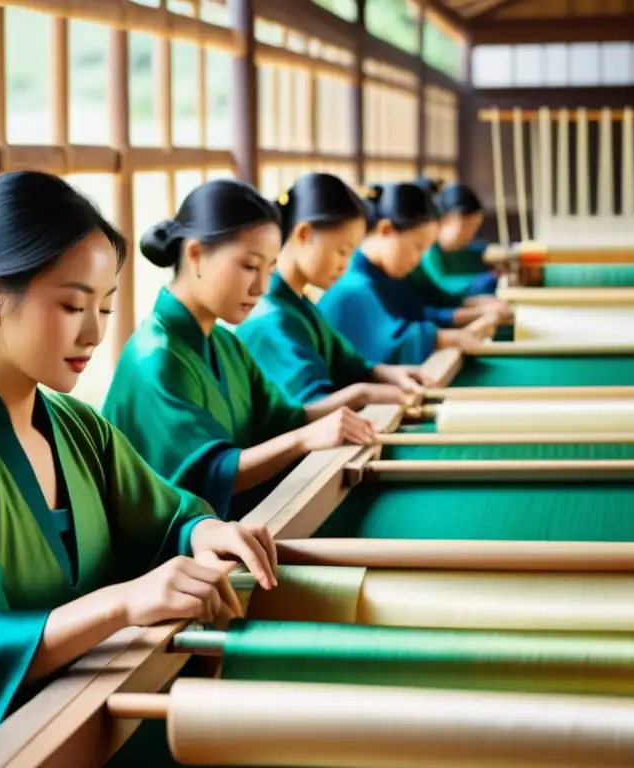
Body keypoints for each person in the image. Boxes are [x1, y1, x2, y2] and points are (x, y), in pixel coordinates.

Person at [0, 171, 277, 768]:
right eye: (73, 305)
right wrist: (123, 604)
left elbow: (166, 517)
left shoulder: (78, 424)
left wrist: (208, 531)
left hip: (74, 714)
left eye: (104, 306)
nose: (95, 332)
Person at [102, 179, 377, 523]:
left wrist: (358, 396)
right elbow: (211, 472)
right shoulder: (156, 359)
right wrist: (303, 439)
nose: (261, 287)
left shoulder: (224, 342)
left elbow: (285, 419)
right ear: (196, 254)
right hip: (165, 560)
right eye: (249, 266)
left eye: (270, 271)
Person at [235, 172, 431, 408]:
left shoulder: (298, 302)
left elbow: (348, 363)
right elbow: (308, 408)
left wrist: (385, 373)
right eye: (341, 251)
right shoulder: (270, 315)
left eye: (350, 254)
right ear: (304, 234)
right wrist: (365, 393)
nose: (344, 265)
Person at [317, 182, 500, 366]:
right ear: (386, 230)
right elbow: (386, 345)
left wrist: (472, 315)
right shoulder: (352, 287)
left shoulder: (387, 274)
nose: (418, 259)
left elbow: (418, 313)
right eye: (417, 247)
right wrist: (444, 337)